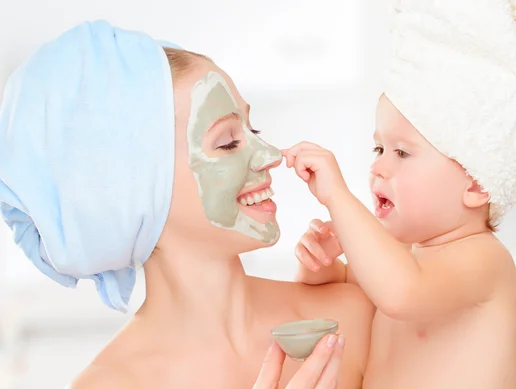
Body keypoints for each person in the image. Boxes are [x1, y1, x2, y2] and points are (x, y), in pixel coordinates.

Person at [0, 20, 374, 388]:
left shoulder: (350, 319)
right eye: (227, 142)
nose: (270, 155)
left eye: (252, 130)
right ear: (138, 191)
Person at [286, 0, 516, 388]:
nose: (378, 166)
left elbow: (402, 293)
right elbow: (347, 300)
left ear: (476, 184)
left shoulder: (484, 261)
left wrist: (338, 197)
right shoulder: (401, 258)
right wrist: (324, 268)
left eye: (402, 152)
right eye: (378, 149)